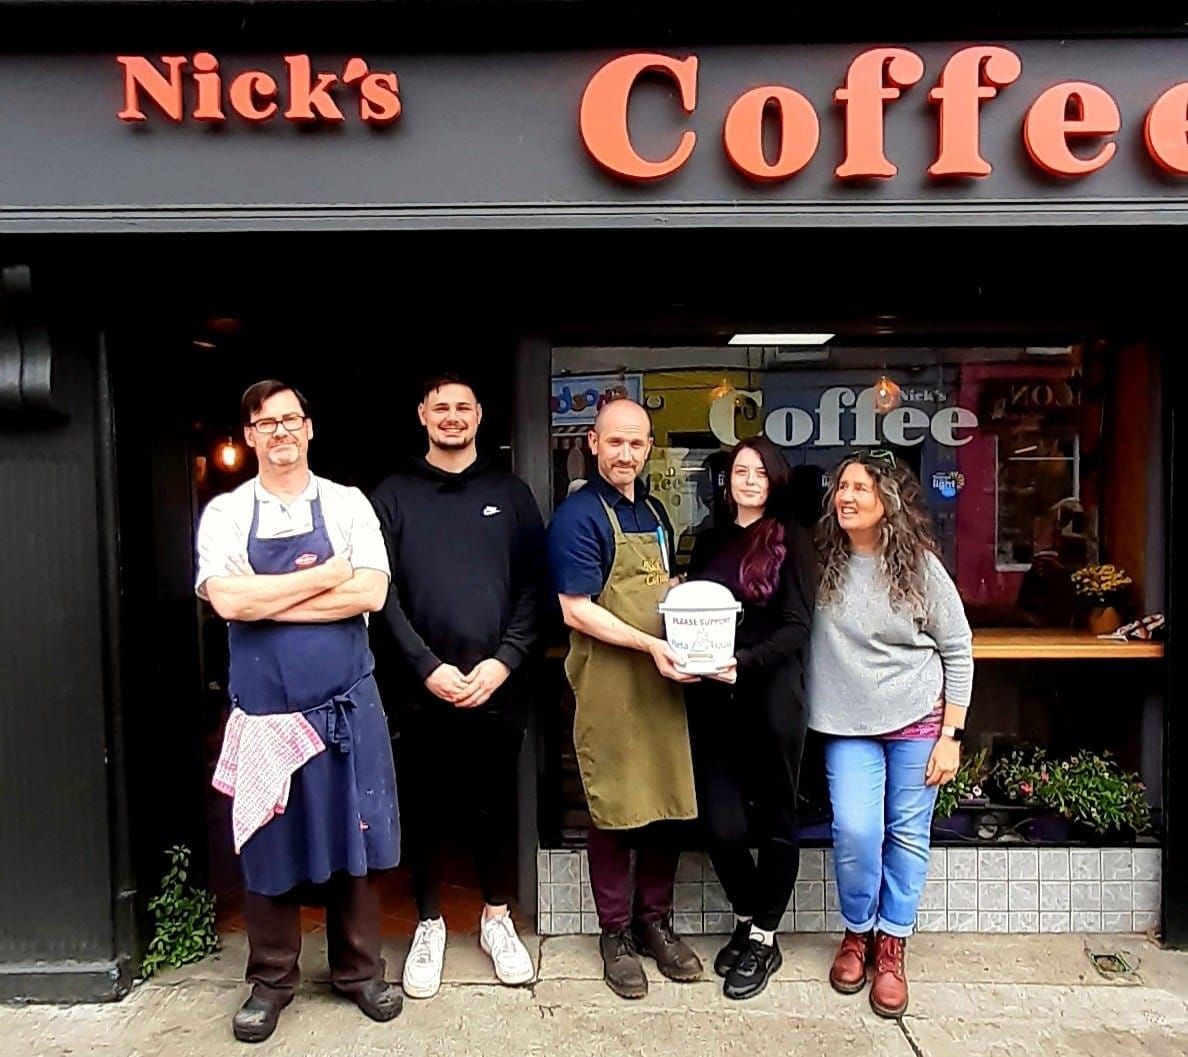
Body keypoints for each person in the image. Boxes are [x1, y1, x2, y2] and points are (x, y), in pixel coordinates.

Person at [196, 380, 403, 1044]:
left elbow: (370, 592)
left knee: (354, 836)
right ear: (250, 435)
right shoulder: (227, 514)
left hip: (346, 708)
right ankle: (271, 981)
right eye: (267, 423)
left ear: (309, 428)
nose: (281, 431)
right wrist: (323, 577)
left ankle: (359, 971)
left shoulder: (346, 504)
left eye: (291, 419)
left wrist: (268, 598)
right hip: (265, 716)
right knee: (268, 842)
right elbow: (228, 602)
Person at [371, 373, 544, 999]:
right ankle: (429, 922)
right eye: (440, 406)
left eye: (462, 407)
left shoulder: (510, 493)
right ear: (422, 414)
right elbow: (380, 594)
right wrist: (425, 666)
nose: (452, 416)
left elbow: (536, 585)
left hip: (498, 684)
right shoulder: (392, 496)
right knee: (424, 805)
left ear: (479, 415)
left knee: (494, 803)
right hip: (419, 686)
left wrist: (505, 661)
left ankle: (497, 918)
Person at [546, 397, 703, 1000]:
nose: (626, 454)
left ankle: (654, 922)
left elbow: (659, 586)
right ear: (593, 443)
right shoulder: (578, 517)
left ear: (649, 447)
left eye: (637, 444)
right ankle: (615, 934)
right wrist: (651, 645)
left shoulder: (655, 511)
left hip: (664, 681)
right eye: (615, 442)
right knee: (613, 808)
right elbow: (576, 610)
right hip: (610, 682)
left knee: (666, 801)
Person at [808, 450, 972, 1018]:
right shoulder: (819, 562)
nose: (847, 497)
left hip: (917, 719)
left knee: (907, 834)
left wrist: (952, 734)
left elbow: (958, 648)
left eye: (861, 488)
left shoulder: (920, 568)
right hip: (845, 722)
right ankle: (858, 930)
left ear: (888, 501)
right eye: (842, 487)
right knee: (856, 830)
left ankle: (892, 942)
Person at [683, 436, 816, 1000]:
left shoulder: (792, 538)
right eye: (741, 471)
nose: (750, 480)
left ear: (775, 479)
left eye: (760, 472)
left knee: (778, 819)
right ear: (727, 479)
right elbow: (689, 611)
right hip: (712, 699)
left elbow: (797, 626)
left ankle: (764, 935)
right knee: (720, 823)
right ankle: (745, 915)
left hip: (771, 695)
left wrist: (743, 663)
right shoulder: (708, 538)